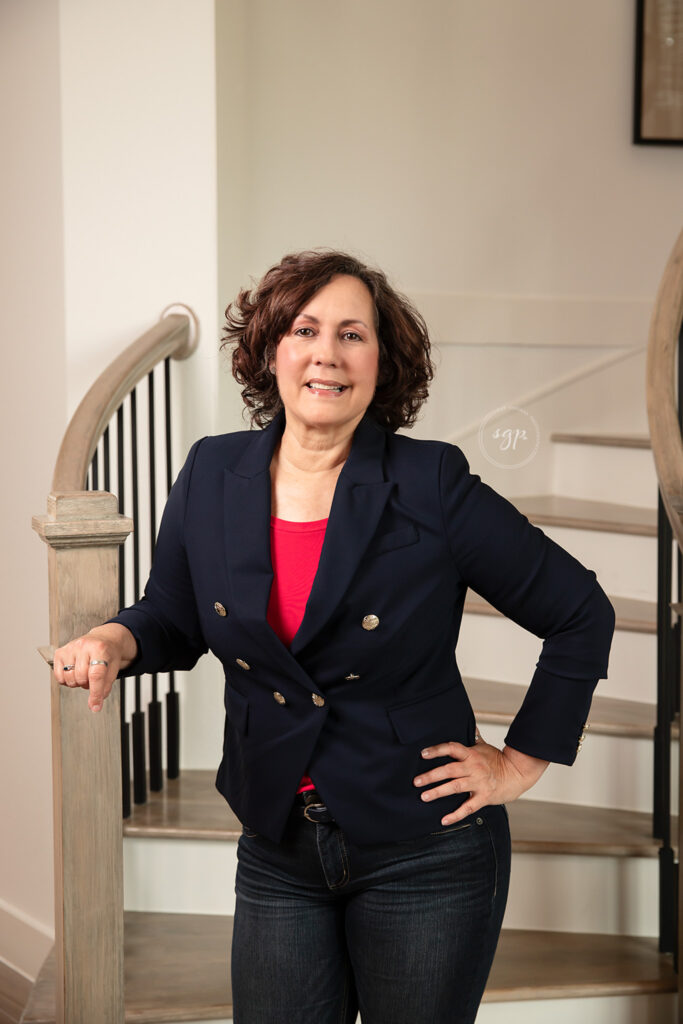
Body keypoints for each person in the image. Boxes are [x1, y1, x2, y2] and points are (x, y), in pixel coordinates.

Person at [54, 250, 616, 1024]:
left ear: (381, 363)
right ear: (270, 350)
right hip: (278, 845)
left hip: (426, 850)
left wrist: (519, 763)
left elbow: (579, 610)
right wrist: (118, 639)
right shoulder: (212, 473)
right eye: (304, 328)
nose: (326, 352)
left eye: (352, 334)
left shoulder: (431, 483)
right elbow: (175, 615)